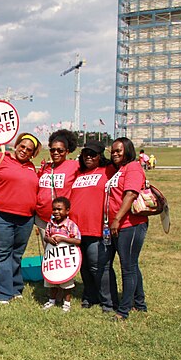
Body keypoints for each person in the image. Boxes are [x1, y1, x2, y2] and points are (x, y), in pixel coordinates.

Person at [0, 133, 41, 304]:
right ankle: (2, 293)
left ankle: (15, 287)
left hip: (25, 218)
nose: (24, 151)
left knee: (17, 253)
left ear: (33, 153)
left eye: (29, 150)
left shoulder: (33, 168)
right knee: (2, 252)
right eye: (22, 146)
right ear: (16, 145)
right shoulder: (1, 158)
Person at [69, 140, 117, 312]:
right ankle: (90, 296)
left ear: (100, 156)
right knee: (84, 265)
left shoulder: (108, 170)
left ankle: (109, 302)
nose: (89, 157)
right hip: (76, 230)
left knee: (99, 266)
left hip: (97, 228)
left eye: (93, 154)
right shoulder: (78, 173)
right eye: (86, 154)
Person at [107, 137, 148, 320]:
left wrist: (116, 219)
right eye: (113, 151)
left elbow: (130, 194)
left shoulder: (133, 167)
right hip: (119, 225)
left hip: (130, 224)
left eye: (119, 151)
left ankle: (123, 311)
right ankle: (140, 303)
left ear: (128, 151)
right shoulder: (120, 169)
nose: (115, 154)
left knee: (127, 267)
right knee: (131, 264)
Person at [35, 129, 79, 236]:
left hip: (63, 220)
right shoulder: (45, 167)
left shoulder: (75, 166)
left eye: (60, 150)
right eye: (53, 150)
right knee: (49, 251)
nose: (55, 153)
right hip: (42, 219)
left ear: (67, 151)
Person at [42, 196, 81, 313]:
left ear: (67, 211)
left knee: (66, 283)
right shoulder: (50, 224)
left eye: (59, 209)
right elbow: (46, 236)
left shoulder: (70, 225)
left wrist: (63, 239)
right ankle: (51, 301)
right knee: (51, 281)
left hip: (65, 261)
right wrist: (49, 239)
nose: (56, 212)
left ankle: (67, 303)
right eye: (54, 209)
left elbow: (78, 240)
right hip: (54, 259)